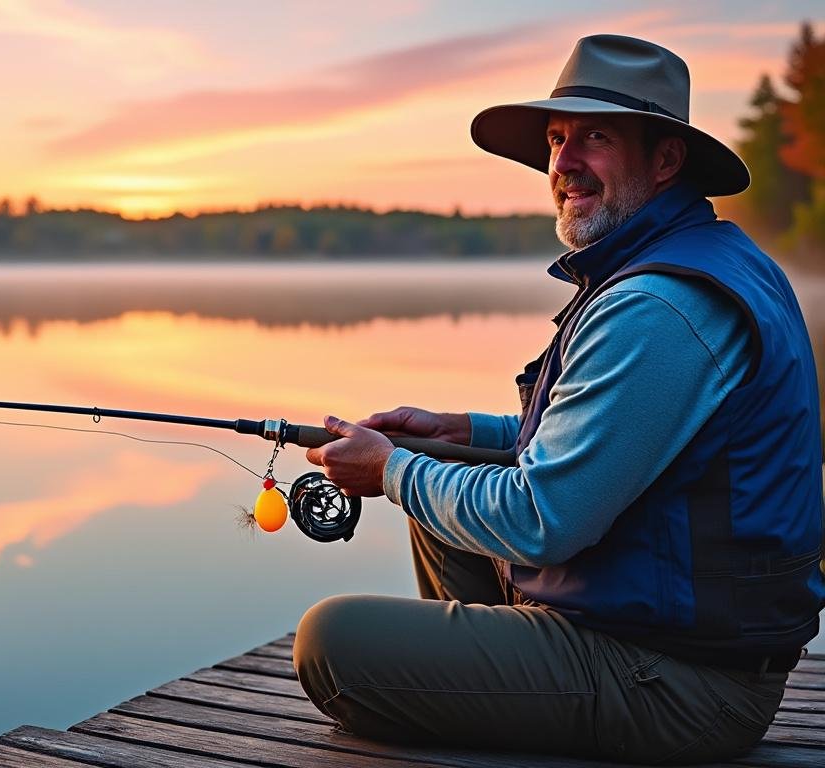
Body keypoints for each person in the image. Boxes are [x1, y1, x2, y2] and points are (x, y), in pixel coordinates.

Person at [296, 34, 825, 764]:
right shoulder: (700, 262)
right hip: (669, 644)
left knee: (332, 643)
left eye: (595, 137)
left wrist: (390, 472)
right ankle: (507, 684)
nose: (563, 163)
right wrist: (457, 429)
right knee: (441, 461)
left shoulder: (656, 305)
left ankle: (502, 695)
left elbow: (545, 519)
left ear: (666, 159)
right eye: (555, 139)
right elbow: (620, 440)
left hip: (683, 686)